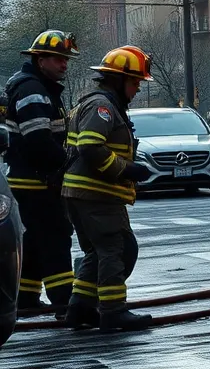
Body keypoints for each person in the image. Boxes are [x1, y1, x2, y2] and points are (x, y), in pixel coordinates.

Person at [62, 46, 155, 332]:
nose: (137, 89)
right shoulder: (102, 107)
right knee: (115, 249)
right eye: (135, 82)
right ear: (118, 79)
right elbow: (90, 146)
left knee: (96, 252)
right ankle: (114, 311)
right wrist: (125, 169)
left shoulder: (99, 104)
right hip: (96, 194)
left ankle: (80, 308)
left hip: (84, 193)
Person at [4, 30, 79, 315]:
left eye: (66, 60)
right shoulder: (33, 91)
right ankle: (64, 301)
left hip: (29, 180)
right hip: (37, 182)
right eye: (58, 59)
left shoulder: (37, 87)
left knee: (34, 240)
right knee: (56, 237)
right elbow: (38, 141)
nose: (64, 65)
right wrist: (67, 164)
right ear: (40, 59)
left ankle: (25, 298)